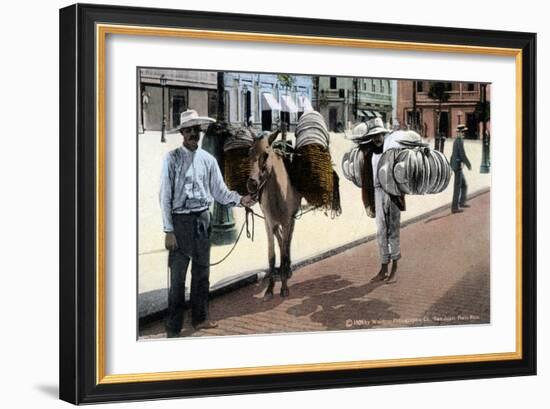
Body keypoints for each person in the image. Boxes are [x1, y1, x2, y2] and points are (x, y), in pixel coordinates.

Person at [160, 109, 255, 337]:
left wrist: (241, 200)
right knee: (177, 277)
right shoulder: (171, 159)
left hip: (203, 219)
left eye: (197, 129)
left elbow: (220, 192)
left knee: (202, 274)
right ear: (182, 132)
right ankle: (174, 326)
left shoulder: (208, 160)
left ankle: (200, 319)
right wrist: (168, 230)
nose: (194, 133)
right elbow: (164, 196)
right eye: (189, 130)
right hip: (180, 222)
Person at [360, 117, 405, 283]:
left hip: (392, 194)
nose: (378, 138)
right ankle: (383, 266)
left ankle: (395, 266)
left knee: (393, 230)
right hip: (378, 194)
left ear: (383, 135)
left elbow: (401, 174)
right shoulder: (369, 154)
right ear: (371, 137)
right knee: (380, 232)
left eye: (380, 134)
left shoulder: (391, 152)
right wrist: (368, 203)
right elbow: (366, 181)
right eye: (375, 135)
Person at [450, 124, 472, 214]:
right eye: (463, 132)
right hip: (457, 166)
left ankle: (462, 202)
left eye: (464, 132)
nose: (464, 134)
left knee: (464, 185)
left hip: (456, 165)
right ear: (459, 132)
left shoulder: (458, 140)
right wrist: (468, 164)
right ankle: (455, 207)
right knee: (457, 187)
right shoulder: (459, 141)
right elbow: (462, 154)